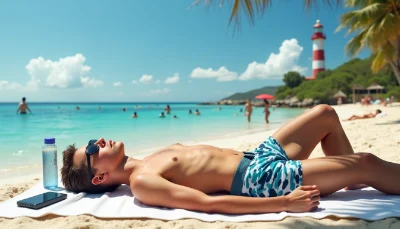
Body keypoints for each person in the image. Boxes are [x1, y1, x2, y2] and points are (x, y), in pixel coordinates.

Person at [61, 105, 400, 214]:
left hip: (258, 156)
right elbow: (208, 205)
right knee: (365, 160)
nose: (99, 141)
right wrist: (284, 203)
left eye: (92, 142)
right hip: (260, 180)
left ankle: (351, 177)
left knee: (325, 114)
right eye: (93, 150)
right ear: (99, 178)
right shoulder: (143, 183)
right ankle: (360, 172)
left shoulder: (149, 158)